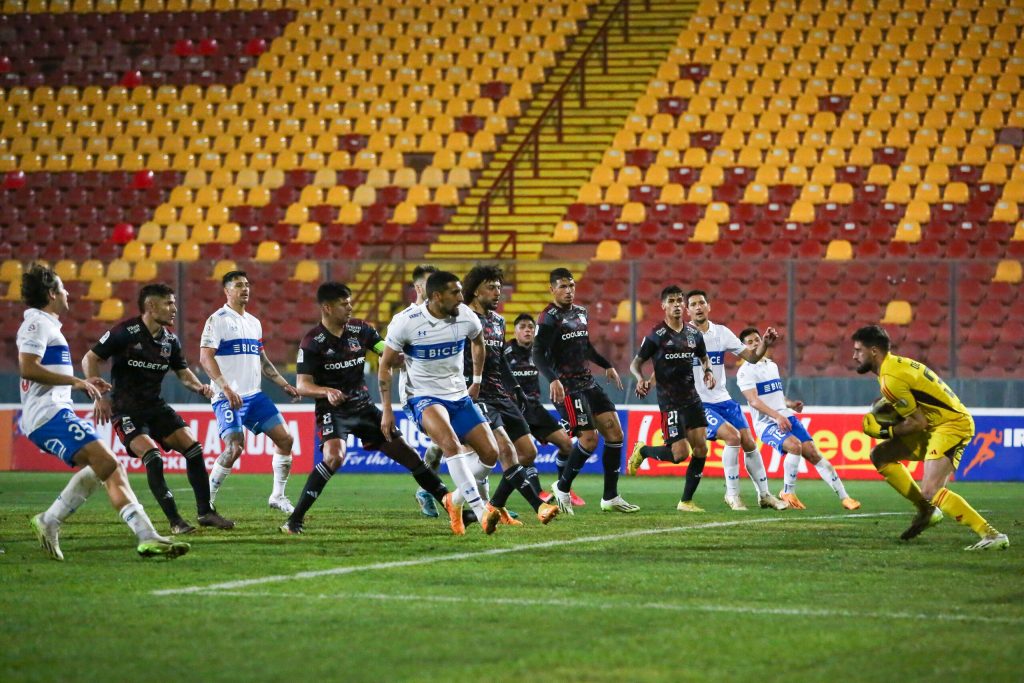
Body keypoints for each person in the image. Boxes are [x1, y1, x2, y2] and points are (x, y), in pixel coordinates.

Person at [17, 264, 189, 560]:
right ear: (50, 294)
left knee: (100, 467)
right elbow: (28, 368)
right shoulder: (37, 324)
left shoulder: (47, 324)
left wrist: (79, 385)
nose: (67, 292)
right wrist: (76, 380)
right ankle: (146, 535)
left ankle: (49, 519)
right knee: (109, 464)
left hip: (53, 411)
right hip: (48, 415)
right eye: (61, 288)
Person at [380, 271, 545, 535]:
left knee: (490, 454)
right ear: (436, 296)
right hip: (423, 396)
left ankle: (454, 500)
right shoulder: (405, 322)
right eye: (455, 293)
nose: (461, 297)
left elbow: (479, 343)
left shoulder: (465, 316)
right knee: (451, 445)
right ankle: (481, 512)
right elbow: (385, 365)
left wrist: (477, 379)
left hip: (458, 395)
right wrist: (387, 409)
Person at [282, 283, 454, 534]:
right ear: (327, 308)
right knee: (334, 457)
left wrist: (398, 355)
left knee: (410, 456)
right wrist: (325, 391)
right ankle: (294, 520)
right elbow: (302, 385)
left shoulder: (361, 330)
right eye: (344, 303)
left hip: (364, 408)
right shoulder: (312, 342)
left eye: (350, 302)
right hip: (333, 411)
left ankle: (453, 508)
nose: (350, 307)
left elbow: (386, 353)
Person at [82, 283, 234, 534]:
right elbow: (90, 358)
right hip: (126, 410)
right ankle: (176, 522)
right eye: (168, 303)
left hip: (155, 407)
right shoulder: (125, 332)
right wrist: (99, 396)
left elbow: (183, 372)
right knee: (153, 457)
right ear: (151, 306)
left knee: (194, 449)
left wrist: (199, 387)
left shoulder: (169, 341)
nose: (174, 308)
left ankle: (205, 512)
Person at [851, 325, 1008, 550]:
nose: (854, 356)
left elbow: (918, 422)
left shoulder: (891, 379)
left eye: (858, 350)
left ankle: (992, 535)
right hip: (936, 426)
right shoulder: (895, 367)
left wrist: (885, 431)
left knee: (931, 490)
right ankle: (926, 511)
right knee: (881, 455)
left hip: (951, 425)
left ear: (874, 351)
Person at [461, 265, 559, 531]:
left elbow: (500, 358)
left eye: (499, 287)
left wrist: (515, 387)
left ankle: (493, 505)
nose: (497, 292)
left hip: (500, 393)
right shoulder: (461, 317)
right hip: (474, 393)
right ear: (476, 289)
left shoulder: (498, 321)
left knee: (528, 452)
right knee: (504, 449)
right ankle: (539, 506)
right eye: (491, 287)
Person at [533, 267, 638, 515]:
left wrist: (607, 365)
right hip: (567, 387)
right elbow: (537, 354)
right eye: (562, 287)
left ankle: (610, 497)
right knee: (589, 439)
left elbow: (585, 347)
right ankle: (562, 487)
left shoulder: (581, 313)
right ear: (552, 289)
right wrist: (552, 379)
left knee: (615, 433)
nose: (568, 291)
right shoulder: (548, 317)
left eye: (571, 286)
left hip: (588, 382)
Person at [200, 270, 300, 515]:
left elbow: (263, 361)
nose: (245, 289)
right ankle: (206, 503)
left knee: (286, 439)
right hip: (227, 397)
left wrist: (282, 384)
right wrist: (225, 387)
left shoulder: (254, 322)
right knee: (234, 448)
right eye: (238, 285)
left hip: (254, 396)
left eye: (247, 284)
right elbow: (205, 357)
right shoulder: (218, 319)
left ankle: (277, 496)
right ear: (227, 291)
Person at [735, 327, 860, 511]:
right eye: (749, 342)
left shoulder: (771, 365)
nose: (754, 344)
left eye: (756, 340)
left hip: (786, 416)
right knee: (795, 446)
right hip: (766, 423)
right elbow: (754, 401)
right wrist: (777, 415)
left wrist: (790, 404)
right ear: (742, 348)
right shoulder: (745, 371)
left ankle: (845, 497)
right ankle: (787, 492)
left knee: (813, 454)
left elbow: (776, 396)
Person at [685, 289, 788, 511]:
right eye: (693, 304)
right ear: (688, 310)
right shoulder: (681, 336)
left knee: (749, 443)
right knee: (732, 438)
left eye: (702, 302)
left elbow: (751, 357)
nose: (698, 307)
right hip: (697, 402)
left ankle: (765, 495)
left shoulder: (721, 333)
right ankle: (732, 495)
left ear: (708, 306)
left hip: (723, 399)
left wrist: (765, 345)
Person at [627, 285, 715, 511]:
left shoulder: (694, 334)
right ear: (663, 306)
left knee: (701, 449)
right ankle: (643, 450)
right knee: (679, 454)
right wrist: (640, 378)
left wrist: (708, 372)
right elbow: (635, 363)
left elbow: (704, 358)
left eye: (679, 300)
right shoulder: (656, 335)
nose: (677, 304)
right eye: (672, 301)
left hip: (692, 399)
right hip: (670, 402)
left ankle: (686, 501)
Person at [504, 313, 586, 506]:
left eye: (530, 327)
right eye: (522, 327)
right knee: (525, 452)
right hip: (512, 409)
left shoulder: (540, 352)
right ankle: (537, 491)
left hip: (535, 408)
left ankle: (563, 487)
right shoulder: (506, 351)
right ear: (514, 331)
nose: (527, 330)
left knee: (566, 444)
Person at [402, 264, 445, 518]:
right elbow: (390, 359)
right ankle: (482, 503)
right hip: (416, 393)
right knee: (448, 441)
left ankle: (426, 489)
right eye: (432, 283)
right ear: (419, 288)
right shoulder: (406, 319)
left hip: (444, 390)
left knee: (441, 444)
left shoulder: (443, 315)